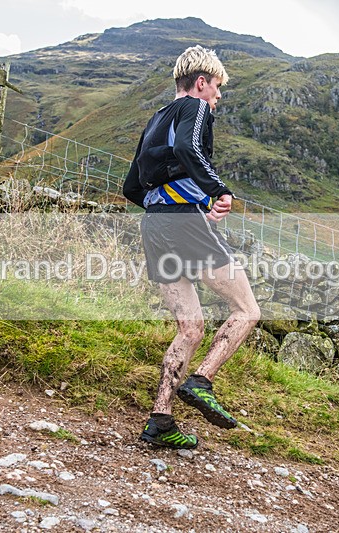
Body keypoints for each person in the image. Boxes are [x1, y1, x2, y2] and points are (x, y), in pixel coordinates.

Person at [123, 45, 261, 449]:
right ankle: (201, 381)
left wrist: (176, 204)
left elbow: (132, 187)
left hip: (154, 226)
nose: (218, 97)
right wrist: (216, 191)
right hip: (182, 224)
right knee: (248, 310)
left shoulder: (154, 121)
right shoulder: (194, 109)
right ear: (201, 83)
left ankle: (160, 421)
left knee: (190, 326)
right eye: (217, 87)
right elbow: (187, 148)